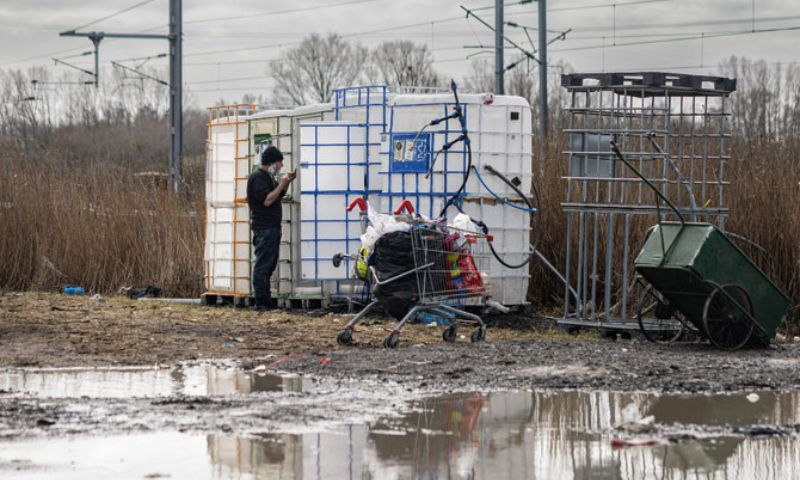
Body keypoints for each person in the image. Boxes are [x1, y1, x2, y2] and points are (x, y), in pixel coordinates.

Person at [247, 146, 296, 310]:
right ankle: (261, 303)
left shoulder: (267, 177)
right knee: (263, 266)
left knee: (269, 265)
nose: (281, 166)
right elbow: (267, 200)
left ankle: (266, 301)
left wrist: (286, 183)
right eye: (279, 163)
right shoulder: (258, 178)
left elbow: (278, 195)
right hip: (265, 229)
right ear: (271, 163)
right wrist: (281, 184)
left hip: (272, 228)